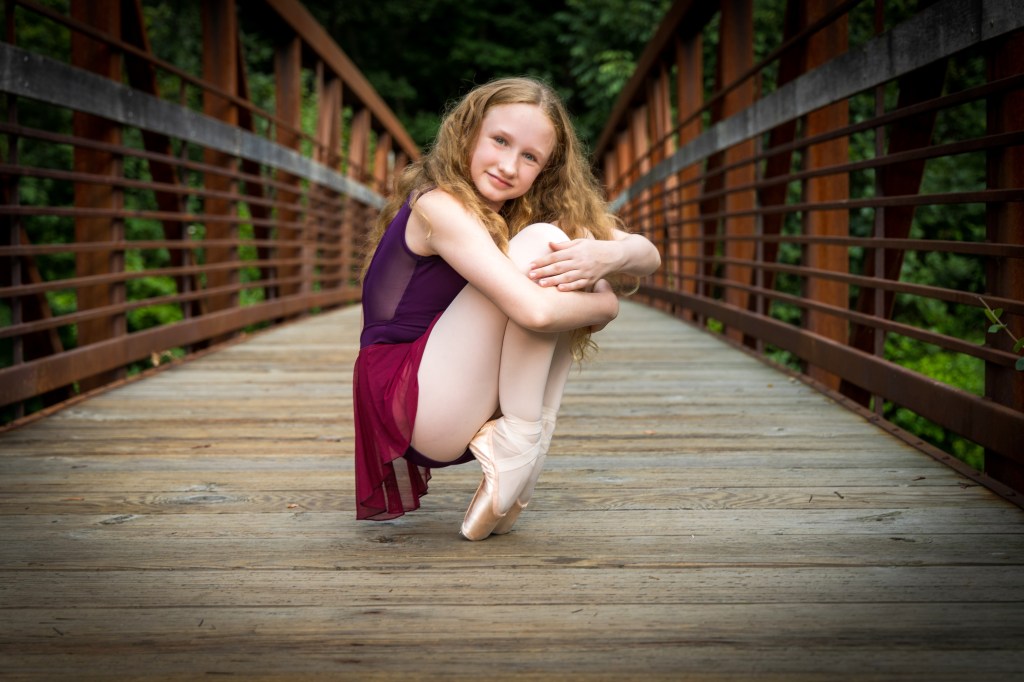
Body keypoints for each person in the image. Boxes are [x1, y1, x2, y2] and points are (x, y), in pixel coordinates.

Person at [353, 76, 660, 540]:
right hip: (408, 401)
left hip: (450, 398)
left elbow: (648, 255)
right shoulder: (438, 206)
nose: (509, 166)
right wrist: (606, 304)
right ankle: (519, 438)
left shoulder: (521, 212)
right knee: (546, 248)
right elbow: (534, 313)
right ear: (468, 132)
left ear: (546, 170)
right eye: (499, 141)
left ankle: (522, 460)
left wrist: (608, 256)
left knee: (561, 246)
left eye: (530, 157)